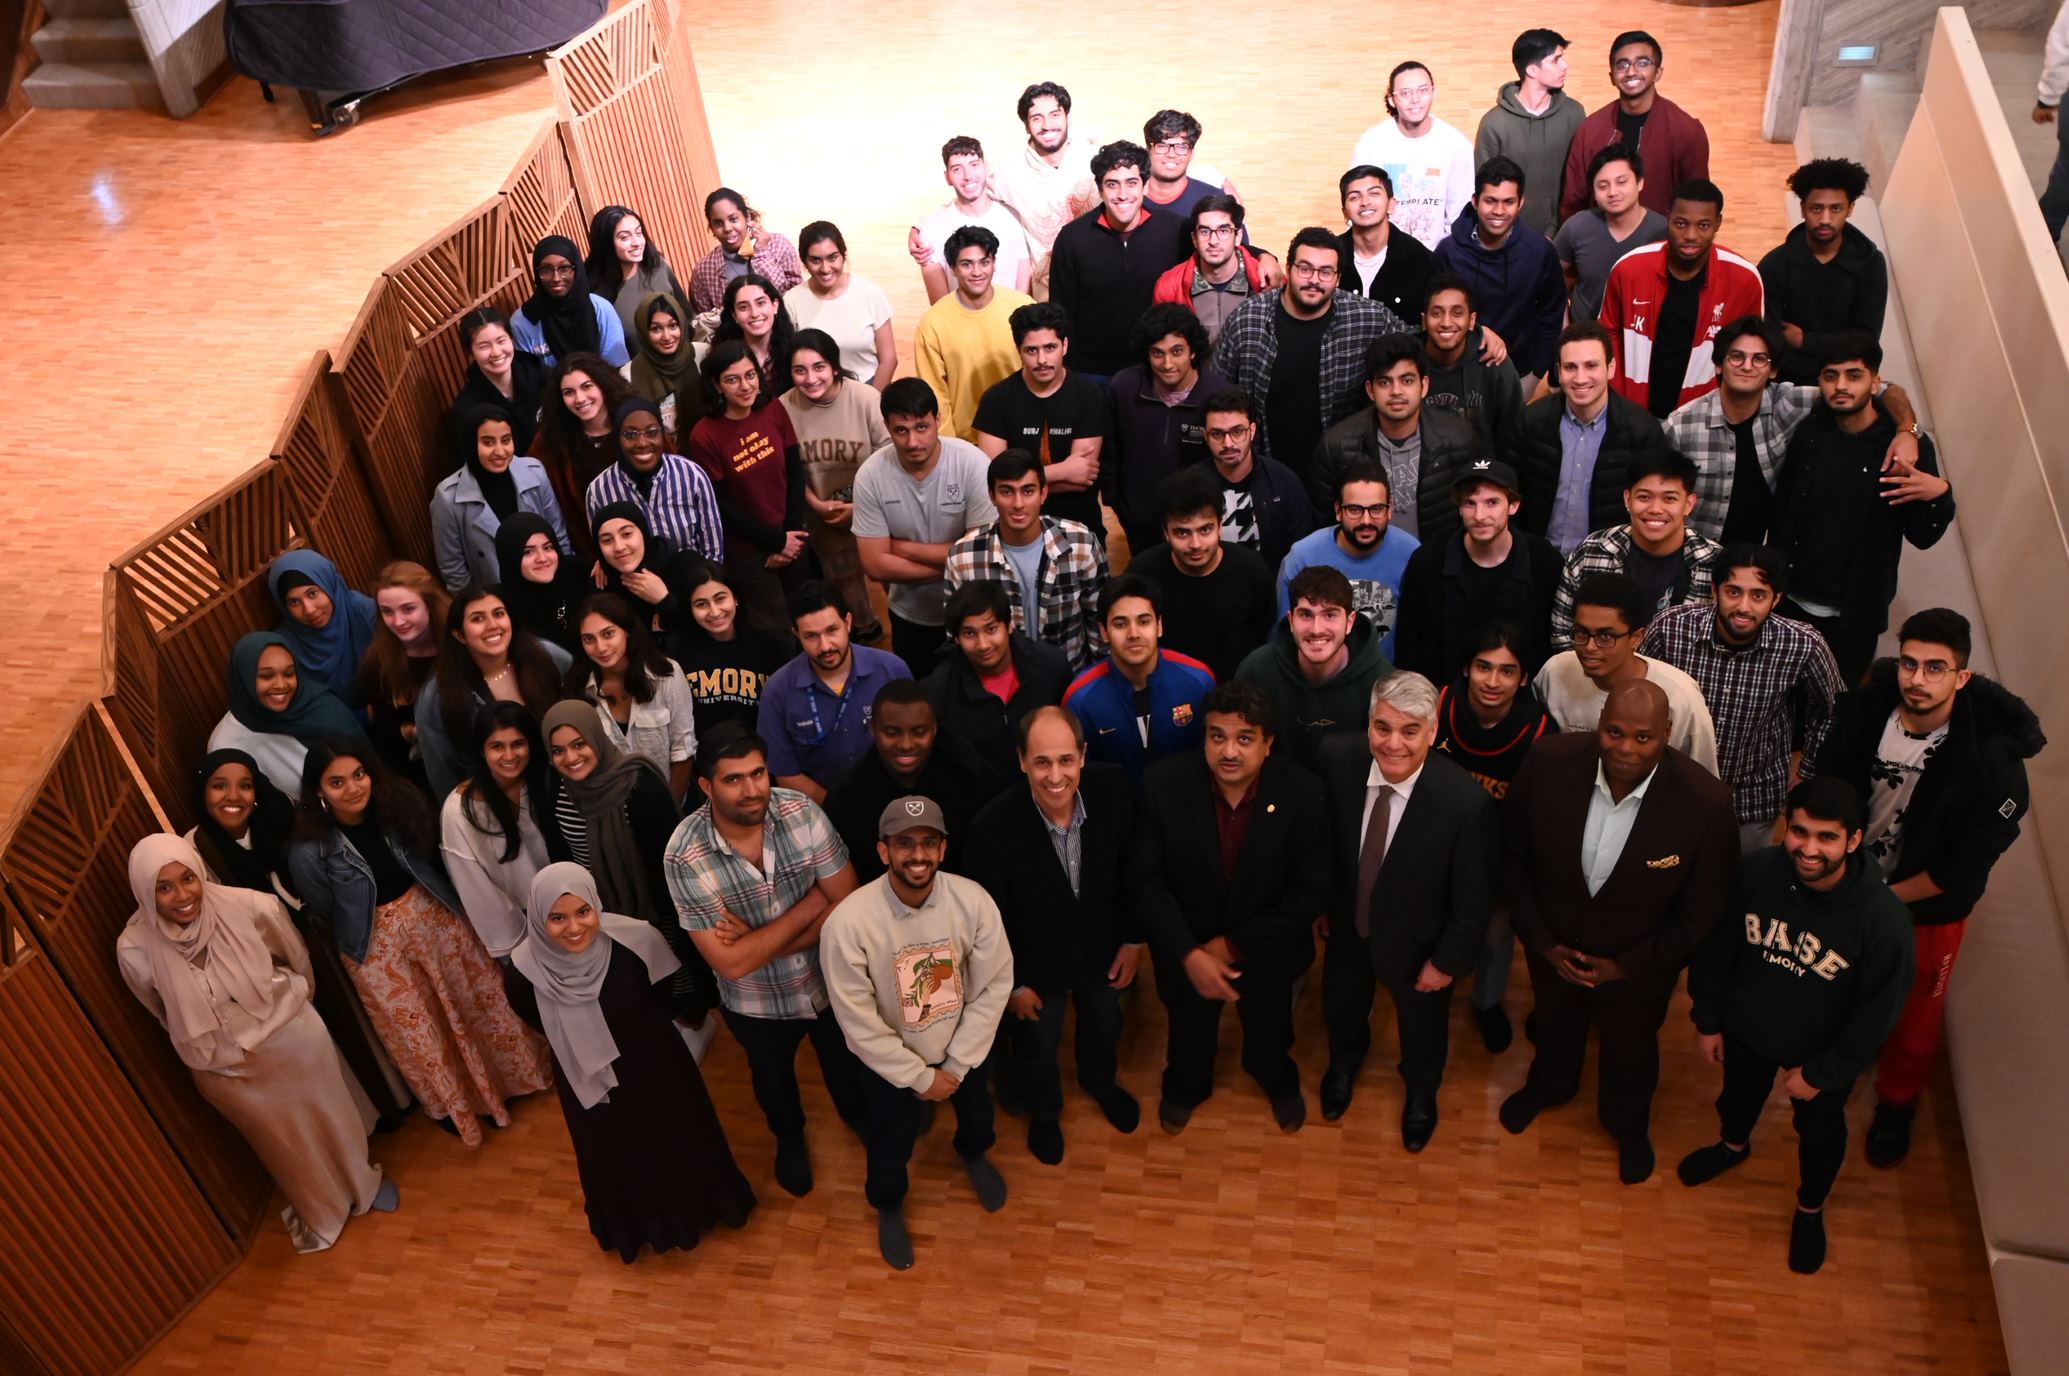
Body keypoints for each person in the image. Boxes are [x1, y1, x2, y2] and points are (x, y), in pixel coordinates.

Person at [1803, 608, 2045, 1167]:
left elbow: (1962, 867)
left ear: (1962, 677)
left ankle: (1896, 1104)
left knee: (1916, 1014)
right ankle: (1839, 1059)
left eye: (1936, 668)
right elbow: (1828, 788)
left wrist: (1878, 901)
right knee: (1836, 979)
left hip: (1928, 908)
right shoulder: (1863, 714)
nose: (1917, 678)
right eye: (1910, 663)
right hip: (1851, 880)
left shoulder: (1992, 763)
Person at [1500, 680, 1739, 1183]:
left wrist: (1627, 966)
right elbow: (1512, 859)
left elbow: (1701, 912)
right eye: (1614, 731)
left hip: (1640, 969)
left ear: (1667, 734)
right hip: (1554, 950)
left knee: (1631, 1052)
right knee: (1555, 1026)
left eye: (1643, 738)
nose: (1625, 748)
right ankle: (1550, 1086)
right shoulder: (1548, 762)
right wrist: (1543, 943)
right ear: (1599, 722)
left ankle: (1627, 1124)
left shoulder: (1706, 804)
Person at [1680, 778, 1915, 1274]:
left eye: (1827, 837)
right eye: (1799, 831)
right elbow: (1717, 948)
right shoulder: (1754, 873)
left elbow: (1878, 1013)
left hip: (1820, 1052)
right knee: (1738, 1096)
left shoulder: (1883, 920)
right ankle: (1733, 1145)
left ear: (1854, 840)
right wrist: (1708, 1018)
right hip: (1747, 1027)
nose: (1809, 849)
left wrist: (1822, 1074)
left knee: (1821, 1134)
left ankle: (1810, 1208)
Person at [118, 834, 396, 1253]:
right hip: (226, 1070)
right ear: (144, 891)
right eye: (164, 887)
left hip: (292, 1041)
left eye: (188, 878)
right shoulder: (134, 949)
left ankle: (364, 1182)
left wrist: (296, 1004)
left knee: (332, 1115)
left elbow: (295, 957)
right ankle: (322, 1211)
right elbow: (158, 1010)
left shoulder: (250, 906)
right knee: (284, 1147)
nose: (182, 896)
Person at [287, 738, 555, 1145]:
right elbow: (326, 907)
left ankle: (508, 1082)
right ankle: (460, 1107)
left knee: (477, 1000)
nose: (353, 788)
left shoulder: (395, 806)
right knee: (422, 1035)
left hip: (433, 916)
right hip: (374, 949)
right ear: (319, 792)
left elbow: (427, 856)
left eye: (358, 775)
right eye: (337, 782)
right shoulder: (309, 852)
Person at [505, 863, 755, 1262]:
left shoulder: (635, 941)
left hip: (656, 1063)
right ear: (537, 917)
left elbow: (666, 993)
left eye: (583, 912)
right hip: (590, 1080)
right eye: (557, 918)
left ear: (597, 907)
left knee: (679, 1136)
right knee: (619, 1155)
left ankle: (706, 1209)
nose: (573, 928)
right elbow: (532, 1018)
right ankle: (645, 1227)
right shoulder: (522, 972)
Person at [665, 729, 866, 1198]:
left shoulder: (802, 812)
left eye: (758, 773)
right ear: (706, 787)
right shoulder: (683, 854)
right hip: (753, 1002)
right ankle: (789, 1137)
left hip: (828, 981)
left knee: (845, 1063)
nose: (752, 789)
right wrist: (810, 904)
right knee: (773, 1082)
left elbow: (850, 903)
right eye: (734, 779)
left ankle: (858, 1117)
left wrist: (756, 944)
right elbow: (731, 967)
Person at [821, 795, 1015, 1270]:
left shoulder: (974, 901)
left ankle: (973, 1153)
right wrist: (919, 1077)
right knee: (890, 1142)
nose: (918, 854)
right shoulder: (848, 923)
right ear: (883, 851)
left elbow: (994, 985)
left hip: (963, 1050)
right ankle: (888, 1204)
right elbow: (857, 1021)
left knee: (978, 1116)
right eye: (904, 843)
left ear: (944, 849)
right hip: (891, 1066)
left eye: (929, 842)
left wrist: (955, 1064)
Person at [1133, 681, 1328, 1134]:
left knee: (1270, 1032)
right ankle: (1186, 1086)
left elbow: (1310, 892)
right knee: (1188, 1034)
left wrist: (1232, 946)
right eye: (1217, 736)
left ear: (1268, 743)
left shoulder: (1304, 794)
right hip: (1187, 949)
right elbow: (1146, 883)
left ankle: (1275, 1078)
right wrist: (1190, 953)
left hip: (1269, 953)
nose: (1229, 751)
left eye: (1244, 739)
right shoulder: (1163, 786)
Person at [1317, 672, 1498, 1145]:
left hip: (1420, 947)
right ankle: (1343, 1067)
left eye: (1410, 730)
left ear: (1433, 732)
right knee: (1342, 1009)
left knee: (1422, 1033)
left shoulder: (1466, 803)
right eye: (1382, 728)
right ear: (1369, 723)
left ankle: (1421, 1093)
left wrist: (1445, 964)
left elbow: (1473, 901)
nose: (1393, 744)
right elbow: (1323, 846)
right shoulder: (1337, 758)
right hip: (1346, 930)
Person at [190, 748, 415, 1123]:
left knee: (359, 1022)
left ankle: (396, 1097)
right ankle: (362, 1116)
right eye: (219, 786)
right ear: (203, 792)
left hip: (318, 941)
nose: (233, 797)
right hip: (269, 964)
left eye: (244, 786)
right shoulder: (200, 850)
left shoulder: (278, 819)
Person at [967, 707, 1143, 1162]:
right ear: (1022, 760)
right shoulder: (990, 827)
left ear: (1083, 755)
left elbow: (1135, 873)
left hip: (1104, 949)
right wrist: (1015, 984)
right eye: (1042, 762)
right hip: (1036, 965)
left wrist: (1132, 940)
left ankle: (1099, 1083)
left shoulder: (1116, 789)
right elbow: (989, 922)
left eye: (1066, 760)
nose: (1055, 775)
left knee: (1105, 1024)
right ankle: (1046, 1113)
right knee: (1038, 1046)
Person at [1770, 333, 1954, 684]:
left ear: (1875, 383)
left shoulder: (1903, 446)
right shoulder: (1809, 429)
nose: (1841, 386)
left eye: (1854, 375)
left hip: (1852, 617)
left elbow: (1923, 535)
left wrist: (1940, 493)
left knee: (1835, 713)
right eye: (1830, 376)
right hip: (1788, 602)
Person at [1641, 545, 1844, 850]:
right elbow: (1636, 692)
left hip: (1752, 800)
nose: (1744, 607)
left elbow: (1833, 709)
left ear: (1776, 599)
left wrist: (1807, 771)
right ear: (1714, 590)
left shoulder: (1803, 644)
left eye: (1758, 595)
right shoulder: (1671, 627)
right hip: (1670, 790)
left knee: (1741, 886)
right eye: (1733, 592)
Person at [1662, 316, 1922, 544]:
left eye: (1760, 358)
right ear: (1719, 365)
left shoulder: (1787, 403)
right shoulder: (1682, 425)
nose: (1747, 366)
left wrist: (1906, 431)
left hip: (1755, 564)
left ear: (1773, 370)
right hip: (1691, 558)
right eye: (1736, 356)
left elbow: (1885, 390)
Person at [538, 700, 713, 1026]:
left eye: (579, 744)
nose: (571, 758)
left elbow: (667, 862)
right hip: (597, 912)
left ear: (596, 737)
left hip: (652, 908)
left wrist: (661, 915)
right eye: (558, 750)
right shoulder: (554, 788)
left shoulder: (637, 784)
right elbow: (559, 854)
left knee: (674, 978)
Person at [1431, 622, 1559, 1050]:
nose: (1493, 681)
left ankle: (1487, 1002)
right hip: (1439, 846)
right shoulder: (1438, 707)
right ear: (1466, 668)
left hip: (1500, 854)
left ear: (1524, 677)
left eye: (1507, 671)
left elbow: (1537, 819)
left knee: (1494, 935)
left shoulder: (1540, 734)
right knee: (1431, 923)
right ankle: (1431, 986)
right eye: (1484, 667)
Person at [1215, 229, 1409, 475]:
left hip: (1340, 473)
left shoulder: (1367, 318)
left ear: (1338, 278)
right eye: (1305, 268)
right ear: (1288, 268)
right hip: (1264, 471)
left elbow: (1415, 342)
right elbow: (1216, 390)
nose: (1314, 280)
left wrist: (1471, 334)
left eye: (1325, 272)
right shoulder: (1248, 318)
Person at [852, 378, 999, 671]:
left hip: (972, 615)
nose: (913, 442)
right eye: (901, 431)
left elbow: (980, 553)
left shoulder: (973, 464)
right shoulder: (870, 476)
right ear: (887, 427)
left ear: (938, 420)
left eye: (922, 427)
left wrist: (900, 548)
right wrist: (952, 562)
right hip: (908, 617)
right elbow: (875, 565)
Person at [1602, 179, 1765, 419]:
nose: (1691, 235)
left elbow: (1751, 352)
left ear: (1718, 223)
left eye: (1703, 225)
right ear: (1668, 217)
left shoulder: (1744, 279)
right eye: (1681, 223)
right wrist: (1616, 397)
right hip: (1632, 413)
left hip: (1704, 417)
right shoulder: (1629, 269)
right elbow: (1607, 334)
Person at [1393, 460, 1562, 680]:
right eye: (1470, 503)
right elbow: (1409, 642)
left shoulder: (1543, 561)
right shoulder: (1429, 560)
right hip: (1443, 695)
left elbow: (1550, 644)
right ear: (1460, 508)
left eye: (1492, 502)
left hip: (1520, 697)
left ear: (1513, 506)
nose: (1480, 515)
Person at [1517, 321, 1675, 555]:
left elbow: (1652, 506)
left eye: (1591, 366)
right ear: (1558, 371)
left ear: (1610, 368)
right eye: (1571, 367)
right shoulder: (1530, 421)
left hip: (1606, 564)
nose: (1581, 378)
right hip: (1538, 558)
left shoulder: (1642, 431)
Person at [943, 449, 1106, 671]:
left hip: (1070, 681)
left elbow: (1100, 623)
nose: (1018, 504)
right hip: (999, 685)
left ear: (1044, 493)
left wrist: (1094, 686)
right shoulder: (963, 557)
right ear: (992, 495)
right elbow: (957, 635)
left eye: (1028, 491)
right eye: (1007, 492)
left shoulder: (1081, 544)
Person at [1538, 572, 1720, 771]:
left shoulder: (1681, 698)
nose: (1589, 647)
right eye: (1582, 633)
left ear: (1636, 637)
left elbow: (1701, 780)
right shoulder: (1555, 671)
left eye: (1606, 636)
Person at [687, 342, 808, 637]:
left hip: (792, 537)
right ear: (716, 385)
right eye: (732, 379)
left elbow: (795, 470)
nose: (745, 386)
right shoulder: (704, 436)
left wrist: (789, 538)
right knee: (775, 633)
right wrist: (775, 541)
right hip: (750, 552)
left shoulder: (772, 408)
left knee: (808, 619)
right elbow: (721, 507)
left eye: (750, 375)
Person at [823, 680, 998, 883]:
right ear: (872, 729)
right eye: (892, 733)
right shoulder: (845, 798)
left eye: (919, 732)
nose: (906, 744)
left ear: (934, 728)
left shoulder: (972, 775)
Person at [1308, 334, 1479, 542]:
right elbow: (1324, 527)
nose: (1396, 391)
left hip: (1435, 564)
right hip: (1364, 564)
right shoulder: (1336, 446)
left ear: (1424, 385)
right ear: (1371, 390)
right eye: (1385, 382)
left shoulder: (1459, 439)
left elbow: (1472, 512)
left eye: (1407, 380)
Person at [778, 330, 890, 643]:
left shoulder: (867, 399)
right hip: (823, 514)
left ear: (835, 366)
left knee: (890, 580)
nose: (810, 378)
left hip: (876, 508)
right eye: (800, 370)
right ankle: (864, 632)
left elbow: (889, 461)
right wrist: (816, 504)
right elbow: (787, 470)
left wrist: (860, 508)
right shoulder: (783, 408)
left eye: (819, 367)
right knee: (846, 589)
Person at [1548, 448, 1722, 646]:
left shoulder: (1714, 562)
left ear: (1689, 504)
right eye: (1644, 497)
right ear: (1627, 499)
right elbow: (1563, 636)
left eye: (1669, 499)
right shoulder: (1591, 552)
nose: (1656, 509)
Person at [416, 584, 574, 800]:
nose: (492, 625)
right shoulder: (436, 697)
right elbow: (443, 776)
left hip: (566, 788)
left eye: (499, 614)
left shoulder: (548, 657)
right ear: (459, 635)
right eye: (477, 619)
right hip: (497, 805)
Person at [758, 581, 913, 801]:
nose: (825, 646)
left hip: (895, 800)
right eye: (811, 636)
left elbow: (917, 742)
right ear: (796, 634)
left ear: (848, 623)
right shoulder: (777, 691)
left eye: (832, 630)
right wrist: (839, 811)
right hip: (819, 812)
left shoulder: (892, 670)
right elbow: (786, 774)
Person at [1050, 141, 1191, 378]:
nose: (1123, 194)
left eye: (1132, 183)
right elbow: (1061, 312)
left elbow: (1218, 247)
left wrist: (1263, 256)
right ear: (1100, 189)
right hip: (1090, 373)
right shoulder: (1073, 238)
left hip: (1157, 370)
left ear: (1145, 186)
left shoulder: (1175, 230)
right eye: (1112, 184)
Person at [1235, 565, 1392, 772]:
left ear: (1350, 622)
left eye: (1330, 615)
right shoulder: (1256, 670)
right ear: (1291, 621)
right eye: (1306, 615)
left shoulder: (1383, 683)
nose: (1316, 629)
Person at [1102, 303, 1230, 557]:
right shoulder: (1124, 387)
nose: (1167, 363)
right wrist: (1117, 504)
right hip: (1139, 519)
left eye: (1177, 351)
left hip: (1197, 524)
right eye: (1157, 354)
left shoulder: (1219, 395)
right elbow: (1110, 451)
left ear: (1193, 351)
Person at [972, 302, 1111, 535]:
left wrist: (1016, 486)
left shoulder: (1089, 395)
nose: (1042, 360)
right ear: (1018, 350)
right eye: (1031, 350)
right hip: (1014, 529)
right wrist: (1063, 471)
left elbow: (1082, 476)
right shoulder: (996, 399)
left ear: (1064, 346)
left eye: (1050, 347)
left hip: (1079, 526)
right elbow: (996, 478)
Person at [1126, 469, 1276, 684]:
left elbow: (1265, 638)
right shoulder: (1142, 573)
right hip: (1169, 694)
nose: (1195, 544)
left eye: (1205, 530)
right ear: (1165, 532)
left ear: (1220, 525)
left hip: (1237, 695)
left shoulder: (1251, 569)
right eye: (1182, 533)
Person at [1064, 575, 1217, 783]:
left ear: (1159, 625)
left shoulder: (1198, 682)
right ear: (1104, 631)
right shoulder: (1081, 700)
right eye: (1120, 624)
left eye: (1144, 621)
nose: (1133, 633)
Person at [1432, 156, 1567, 389]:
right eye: (1491, 201)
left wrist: (1538, 370)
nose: (1499, 211)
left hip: (1520, 372)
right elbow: (1432, 313)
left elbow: (1552, 311)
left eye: (1508, 202)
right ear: (1475, 201)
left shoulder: (1539, 251)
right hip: (1459, 372)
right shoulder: (1448, 252)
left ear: (1521, 203)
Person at [438, 701, 558, 960]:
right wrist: (520, 946)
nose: (509, 755)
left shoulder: (550, 783)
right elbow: (477, 889)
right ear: (482, 751)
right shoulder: (459, 811)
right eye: (497, 746)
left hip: (570, 909)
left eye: (517, 744)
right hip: (521, 931)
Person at [925, 579, 1072, 779]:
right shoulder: (940, 690)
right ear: (956, 639)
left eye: (991, 629)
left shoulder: (1050, 666)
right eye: (969, 633)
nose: (983, 644)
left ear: (1009, 626)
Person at [1559, 30, 1711, 223]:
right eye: (1622, 65)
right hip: (1601, 241)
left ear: (1658, 73)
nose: (1631, 72)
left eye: (1643, 63)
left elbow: (1697, 201)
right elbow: (1573, 200)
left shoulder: (1686, 130)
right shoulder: (1590, 130)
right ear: (1612, 76)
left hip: (1659, 243)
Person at [1760, 160, 1888, 385]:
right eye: (1816, 208)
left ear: (1850, 209)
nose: (1825, 219)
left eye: (1835, 208)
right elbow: (1768, 339)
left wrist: (1805, 341)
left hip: (1847, 382)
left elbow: (1867, 339)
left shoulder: (1870, 263)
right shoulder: (1775, 265)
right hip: (1786, 383)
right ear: (1802, 209)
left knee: (1905, 415)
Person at [1276, 464, 1420, 661]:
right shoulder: (1302, 557)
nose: (1366, 520)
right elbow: (1283, 637)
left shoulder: (1412, 554)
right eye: (1355, 509)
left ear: (1390, 510)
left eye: (1376, 509)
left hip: (1387, 683)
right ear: (1338, 510)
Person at [566, 594, 699, 801]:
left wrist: (671, 813)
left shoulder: (666, 674)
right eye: (589, 639)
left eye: (608, 634)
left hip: (665, 803)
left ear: (627, 631)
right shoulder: (578, 688)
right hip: (608, 808)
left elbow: (683, 752)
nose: (600, 647)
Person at [913, 226, 1036, 442]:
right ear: (952, 268)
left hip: (1024, 433)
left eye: (984, 262)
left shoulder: (1023, 307)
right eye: (966, 264)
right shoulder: (933, 322)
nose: (977, 272)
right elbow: (934, 393)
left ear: (994, 264)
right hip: (966, 441)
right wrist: (950, 446)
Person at [210, 632, 368, 799]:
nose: (281, 684)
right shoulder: (226, 745)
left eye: (288, 673)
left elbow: (370, 762)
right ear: (244, 678)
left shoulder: (322, 704)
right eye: (266, 676)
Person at [431, 403, 569, 593]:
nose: (500, 451)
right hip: (496, 601)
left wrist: (564, 583)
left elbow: (558, 535)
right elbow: (454, 572)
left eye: (506, 440)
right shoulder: (447, 497)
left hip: (550, 585)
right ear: (471, 443)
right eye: (488, 442)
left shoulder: (535, 472)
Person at [581, 396, 725, 566]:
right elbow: (604, 553)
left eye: (651, 432)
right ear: (617, 439)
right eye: (630, 434)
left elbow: (713, 551)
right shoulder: (599, 490)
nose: (642, 443)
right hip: (633, 586)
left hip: (692, 582)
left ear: (663, 435)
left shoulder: (691, 474)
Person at [987, 80, 1100, 296]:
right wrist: (922, 228)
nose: (1047, 125)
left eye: (1055, 114)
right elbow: (972, 192)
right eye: (1037, 118)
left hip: (1101, 282)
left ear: (1067, 116)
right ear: (1027, 126)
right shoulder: (1011, 173)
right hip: (1049, 293)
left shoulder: (1095, 160)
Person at [1350, 61, 1478, 249]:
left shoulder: (1456, 144)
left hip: (1435, 259)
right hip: (1380, 256)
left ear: (1434, 93)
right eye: (1405, 93)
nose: (1415, 99)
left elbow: (1459, 215)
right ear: (1392, 99)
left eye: (1423, 90)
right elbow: (1356, 204)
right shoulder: (1371, 143)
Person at [1475, 29, 1585, 236]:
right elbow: (1485, 190)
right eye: (1556, 59)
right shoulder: (1493, 123)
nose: (1565, 65)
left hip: (1564, 235)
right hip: (1507, 238)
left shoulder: (1574, 114)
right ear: (1533, 70)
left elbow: (1580, 179)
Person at [672, 559, 792, 740]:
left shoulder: (773, 645)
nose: (714, 612)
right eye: (701, 604)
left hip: (762, 753)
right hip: (705, 758)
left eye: (720, 599)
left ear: (735, 598)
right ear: (690, 608)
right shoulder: (679, 650)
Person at [910, 136, 1035, 303]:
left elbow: (1023, 295)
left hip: (1013, 323)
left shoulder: (1015, 217)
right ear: (947, 177)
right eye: (957, 169)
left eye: (974, 165)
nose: (967, 176)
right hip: (960, 326)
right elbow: (940, 307)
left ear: (986, 168)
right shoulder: (930, 230)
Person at [1196, 388, 1311, 568]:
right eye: (1217, 434)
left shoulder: (1284, 482)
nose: (1228, 443)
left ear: (1252, 430)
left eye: (1237, 431)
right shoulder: (1190, 486)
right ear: (1206, 436)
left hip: (1272, 589)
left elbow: (1302, 552)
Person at [360, 563, 450, 788]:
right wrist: (410, 731)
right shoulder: (377, 665)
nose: (398, 622)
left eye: (408, 609)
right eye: (387, 612)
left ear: (430, 604)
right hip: (429, 770)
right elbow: (382, 728)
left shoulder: (460, 640)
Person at [535, 354, 635, 555]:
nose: (580, 399)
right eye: (569, 392)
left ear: (602, 384)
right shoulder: (553, 438)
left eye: (587, 386)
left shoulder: (635, 420)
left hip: (644, 537)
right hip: (590, 550)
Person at [1556, 146, 1669, 323]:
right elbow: (1548, 272)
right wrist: (1563, 321)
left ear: (1640, 182)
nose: (1612, 192)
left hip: (1641, 334)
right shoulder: (1577, 226)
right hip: (1586, 335)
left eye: (1621, 182)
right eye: (1603, 186)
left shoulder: (1662, 231)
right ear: (1594, 191)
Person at [1417, 276, 1527, 458]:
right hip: (1422, 477)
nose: (1446, 322)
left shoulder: (1495, 363)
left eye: (1457, 313)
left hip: (1478, 476)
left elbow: (1512, 439)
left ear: (1471, 320)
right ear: (1423, 320)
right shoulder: (1406, 361)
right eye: (1436, 313)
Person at [784, 222, 896, 391]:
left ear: (843, 255)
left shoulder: (870, 293)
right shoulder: (792, 300)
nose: (825, 268)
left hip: (868, 388)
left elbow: (889, 359)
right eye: (815, 260)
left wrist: (872, 401)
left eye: (832, 257)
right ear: (804, 262)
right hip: (814, 392)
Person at [1150, 195, 1269, 347]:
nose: (1213, 241)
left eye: (1223, 231)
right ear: (1194, 238)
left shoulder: (1266, 282)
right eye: (1205, 232)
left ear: (1238, 236)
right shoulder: (1169, 287)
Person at [269, 549, 378, 711]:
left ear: (329, 585)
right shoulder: (285, 646)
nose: (309, 610)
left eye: (312, 594)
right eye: (294, 602)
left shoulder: (364, 612)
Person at [591, 502, 710, 644]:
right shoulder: (600, 584)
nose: (619, 547)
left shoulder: (686, 567)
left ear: (643, 533)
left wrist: (665, 600)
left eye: (627, 534)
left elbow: (711, 627)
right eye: (607, 540)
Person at [584, 204, 692, 352]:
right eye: (625, 237)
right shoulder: (596, 295)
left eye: (639, 233)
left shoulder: (659, 267)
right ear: (606, 244)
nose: (637, 242)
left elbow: (689, 316)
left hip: (685, 361)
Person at [1334, 165, 1436, 321]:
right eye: (1354, 197)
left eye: (1374, 193)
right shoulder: (1330, 257)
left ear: (1391, 204)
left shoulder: (1420, 259)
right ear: (1345, 212)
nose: (1365, 202)